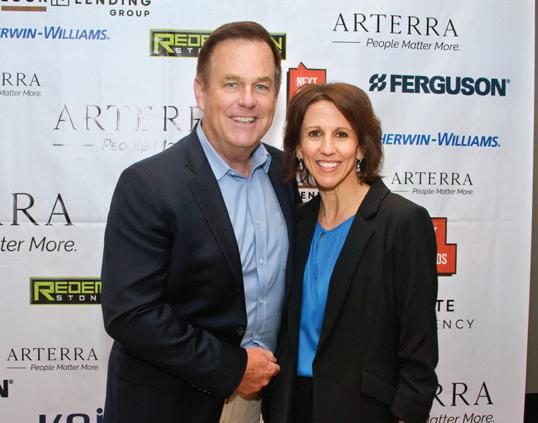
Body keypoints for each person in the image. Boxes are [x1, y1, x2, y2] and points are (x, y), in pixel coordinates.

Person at [101, 21, 299, 423]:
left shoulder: (285, 174)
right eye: (231, 84)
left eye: (261, 86)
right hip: (172, 405)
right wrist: (233, 369)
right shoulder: (149, 184)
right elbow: (130, 313)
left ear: (276, 96)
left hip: (262, 401)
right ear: (201, 91)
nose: (248, 100)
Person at [266, 83, 438, 423]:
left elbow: (418, 348)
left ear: (361, 148)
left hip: (365, 411)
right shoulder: (297, 222)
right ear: (298, 147)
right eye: (314, 134)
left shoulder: (402, 222)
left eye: (342, 135)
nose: (327, 148)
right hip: (291, 407)